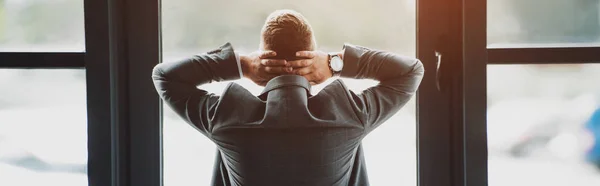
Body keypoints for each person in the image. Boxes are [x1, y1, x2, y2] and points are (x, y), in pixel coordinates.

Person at [152, 9, 424, 186]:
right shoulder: (347, 114)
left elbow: (165, 77)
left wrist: (241, 65)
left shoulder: (227, 118)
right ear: (312, 56)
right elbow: (411, 71)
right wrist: (335, 64)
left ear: (263, 58)